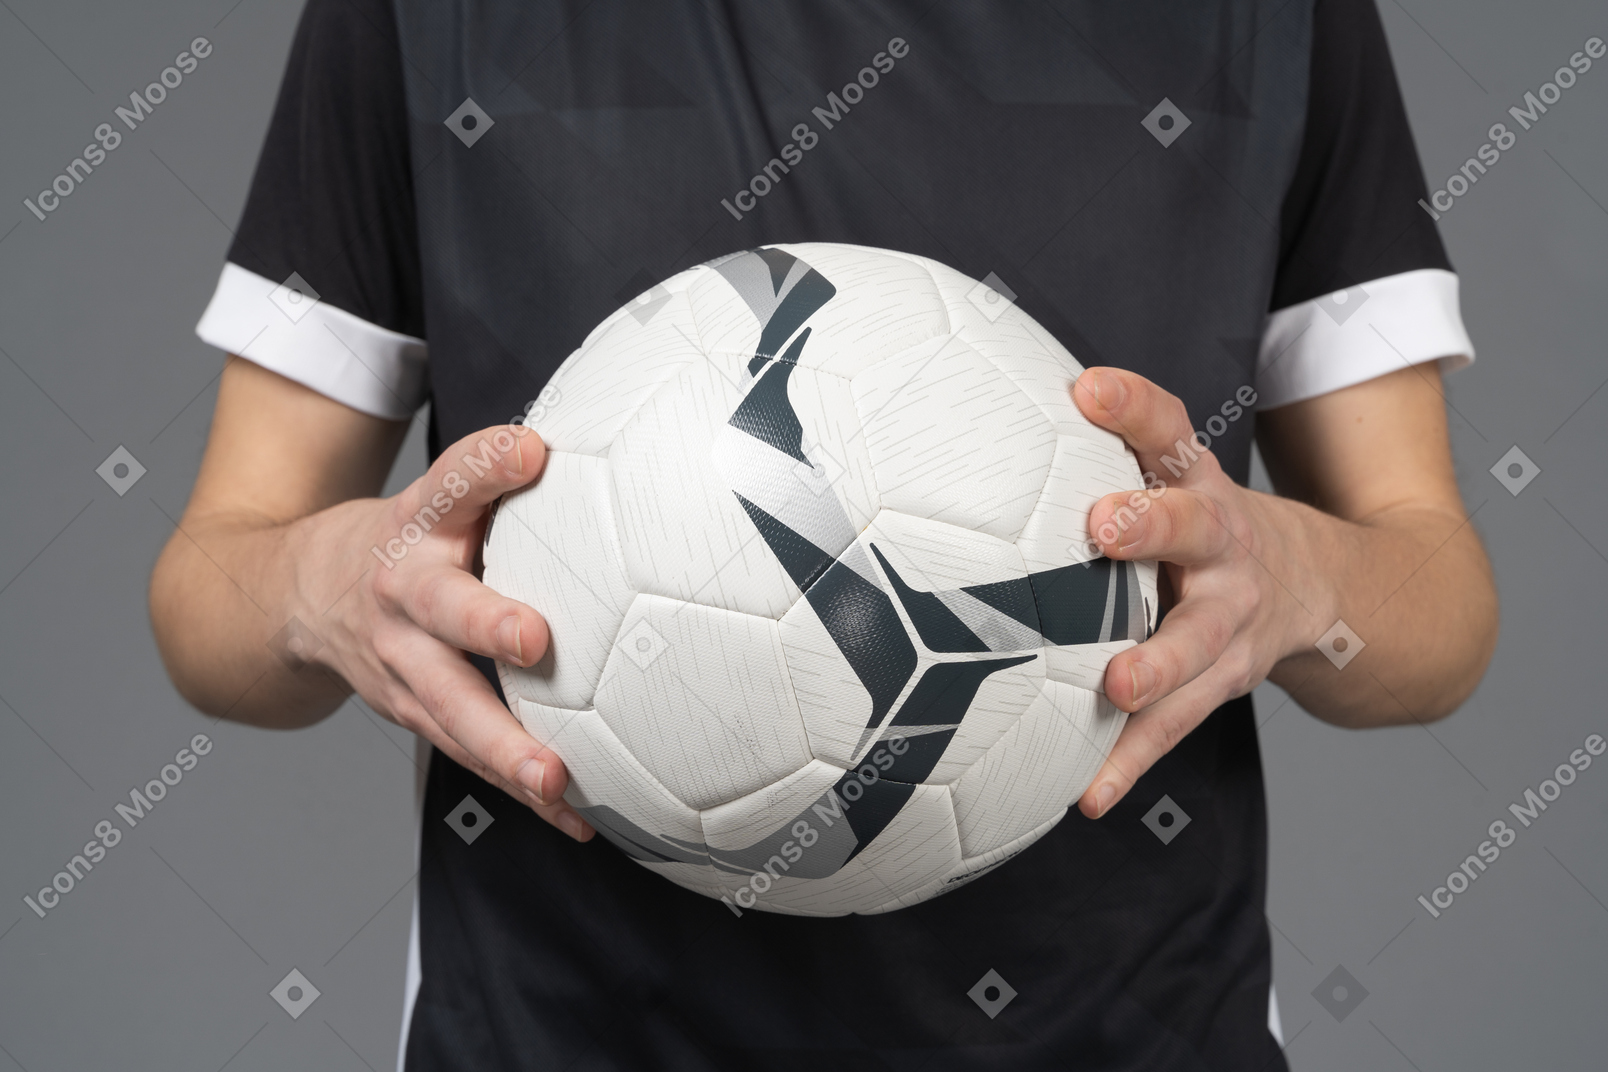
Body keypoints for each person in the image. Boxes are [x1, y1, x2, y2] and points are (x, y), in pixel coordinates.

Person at [150, 0, 1498, 1068]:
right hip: (556, 1033)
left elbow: (1436, 608)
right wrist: (321, 587)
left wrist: (1298, 575)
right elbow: (212, 595)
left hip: (1135, 1033)